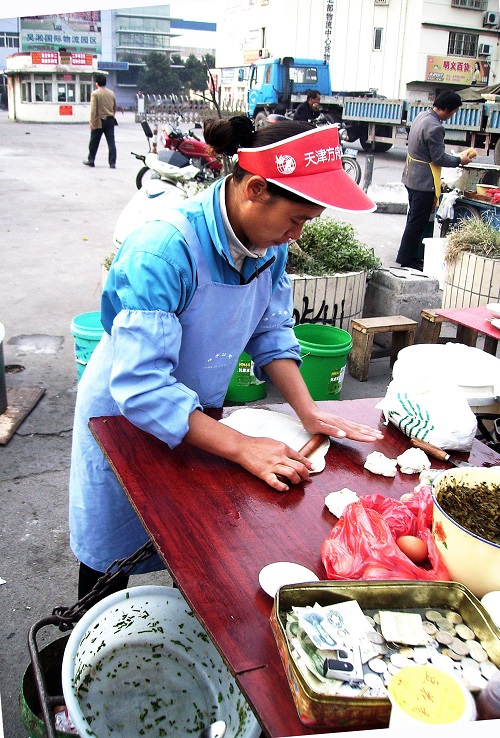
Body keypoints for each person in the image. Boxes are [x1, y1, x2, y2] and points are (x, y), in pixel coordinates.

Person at [70, 116, 382, 599]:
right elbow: (143, 387)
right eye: (296, 220)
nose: (296, 236)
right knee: (111, 562)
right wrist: (241, 445)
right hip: (123, 420)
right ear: (256, 188)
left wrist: (309, 411)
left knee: (193, 543)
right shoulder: (164, 250)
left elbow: (270, 330)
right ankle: (83, 641)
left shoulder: (267, 245)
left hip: (200, 419)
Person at [396, 90, 474, 269]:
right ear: (446, 109)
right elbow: (438, 158)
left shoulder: (422, 116)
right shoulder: (436, 127)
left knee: (413, 219)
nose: (453, 115)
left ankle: (409, 256)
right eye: (453, 112)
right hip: (424, 181)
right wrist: (459, 160)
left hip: (411, 176)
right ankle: (407, 260)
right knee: (417, 222)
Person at [83, 73, 117, 169]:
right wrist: (111, 115)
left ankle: (91, 160)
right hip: (110, 120)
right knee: (111, 142)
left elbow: (93, 109)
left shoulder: (95, 93)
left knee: (94, 141)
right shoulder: (111, 93)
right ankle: (112, 162)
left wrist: (92, 122)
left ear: (96, 83)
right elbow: (115, 107)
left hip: (99, 120)